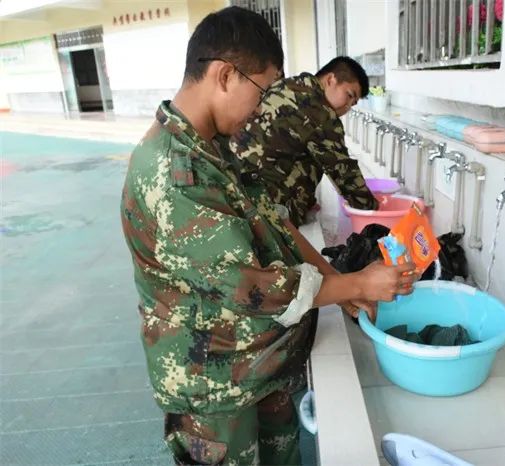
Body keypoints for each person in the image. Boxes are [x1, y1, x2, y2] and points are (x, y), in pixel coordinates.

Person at [120, 6, 415, 465]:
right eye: (260, 92)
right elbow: (252, 288)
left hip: (258, 363)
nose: (261, 109)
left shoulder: (213, 145)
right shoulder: (176, 177)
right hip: (213, 387)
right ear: (224, 75)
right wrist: (357, 283)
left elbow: (274, 220)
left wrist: (338, 284)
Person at [230, 56, 380, 227]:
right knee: (320, 160)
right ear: (330, 79)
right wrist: (374, 210)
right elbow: (344, 172)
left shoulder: (286, 85)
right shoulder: (321, 113)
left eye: (352, 104)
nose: (346, 107)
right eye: (349, 95)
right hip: (264, 206)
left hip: (235, 187)